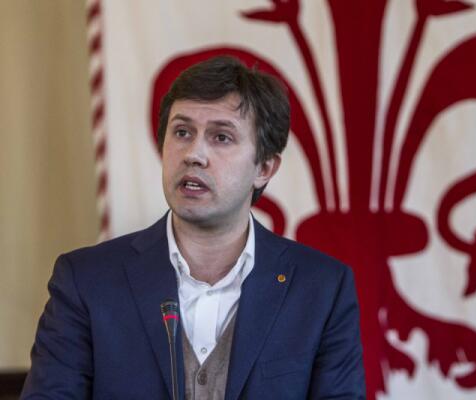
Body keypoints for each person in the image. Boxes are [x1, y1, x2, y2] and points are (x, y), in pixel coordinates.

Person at [21, 55, 365, 399]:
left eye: (221, 137)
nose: (194, 154)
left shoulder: (321, 289)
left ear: (264, 168)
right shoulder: (85, 280)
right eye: (182, 132)